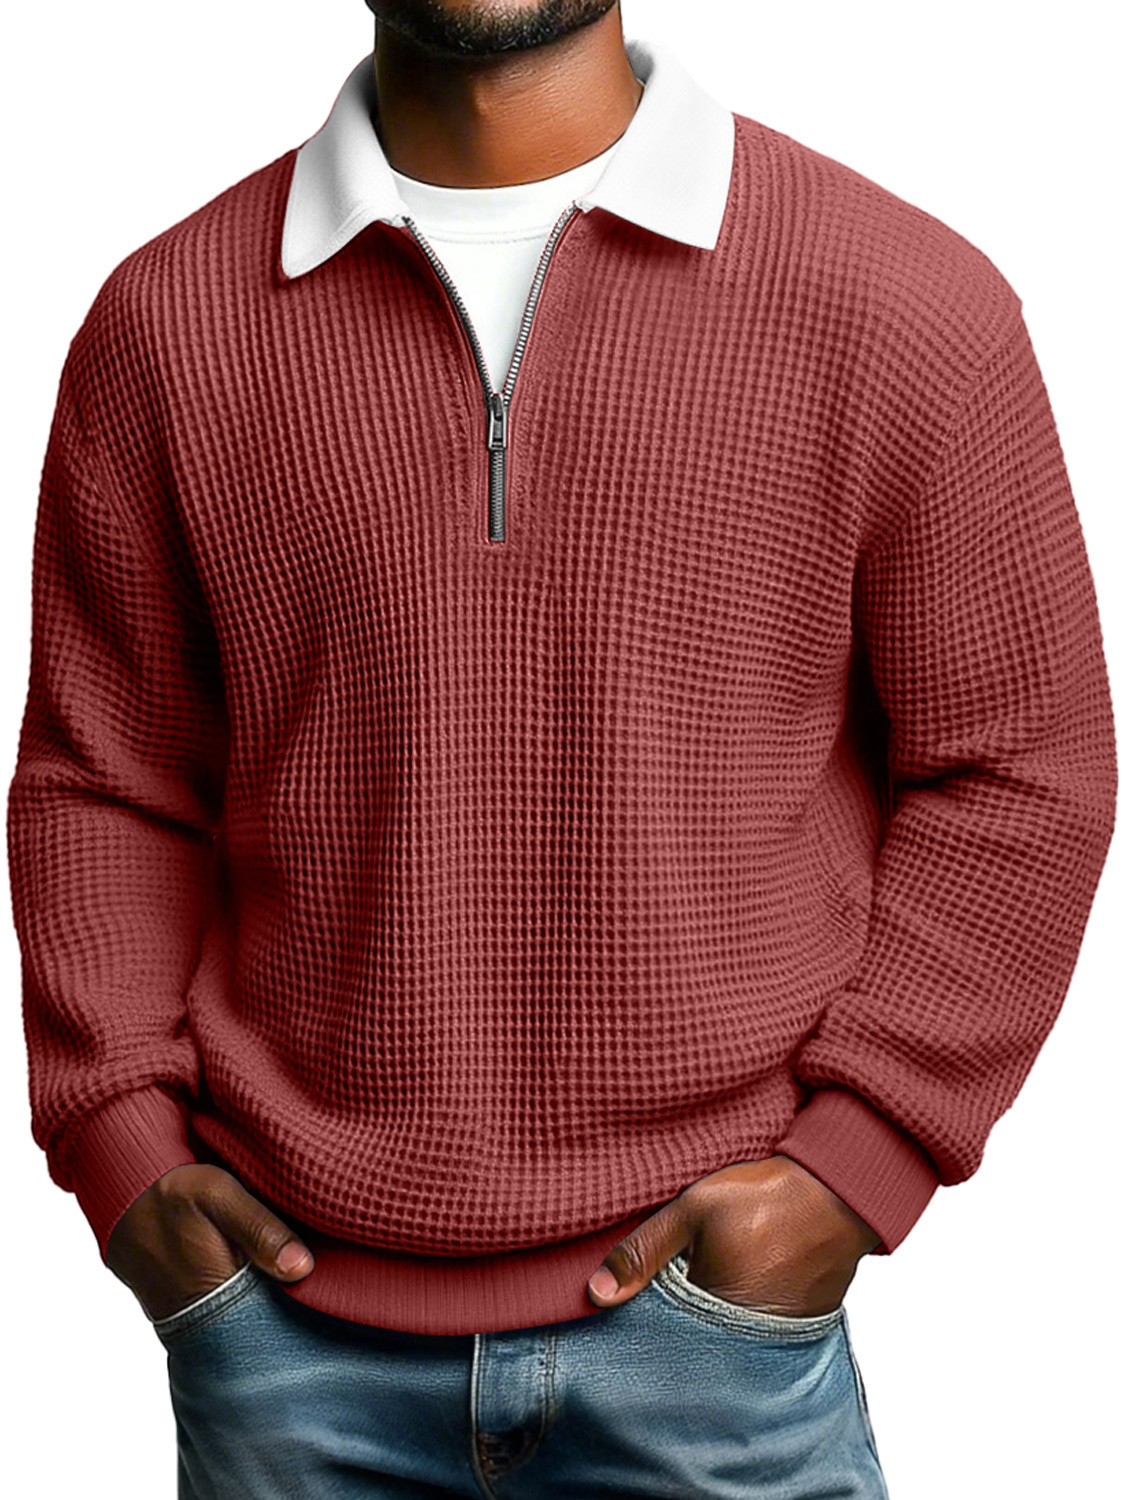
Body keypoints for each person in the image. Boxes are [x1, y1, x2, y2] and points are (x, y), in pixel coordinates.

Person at [6, 1, 1117, 1496]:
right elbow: (106, 779)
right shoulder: (166, 321)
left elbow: (1020, 763)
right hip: (283, 1340)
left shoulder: (903, 296)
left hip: (715, 1337)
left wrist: (859, 1163)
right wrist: (124, 1150)